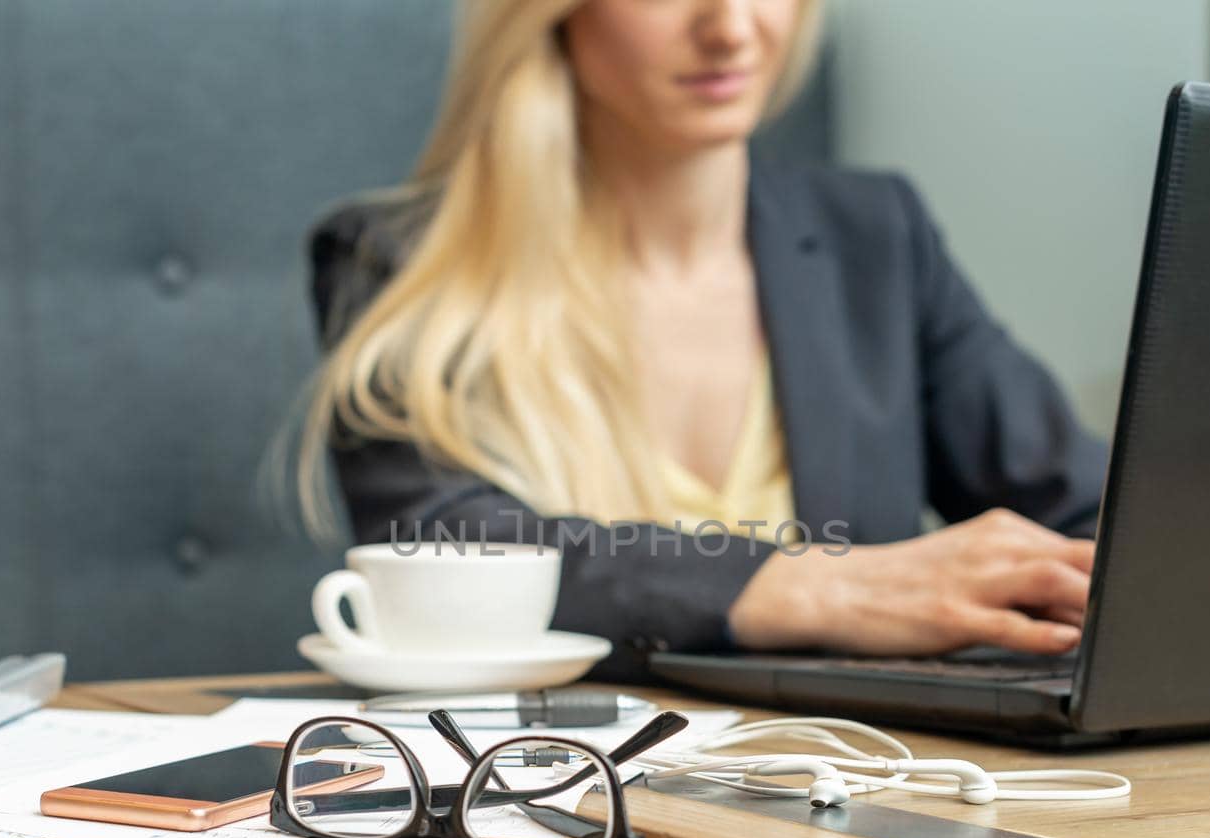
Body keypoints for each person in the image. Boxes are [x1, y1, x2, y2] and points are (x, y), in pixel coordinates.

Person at [298, 0, 1107, 682]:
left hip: (865, 790)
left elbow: (1090, 508)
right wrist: (820, 586)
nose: (731, 28)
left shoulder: (878, 236)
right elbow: (444, 547)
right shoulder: (394, 260)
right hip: (556, 802)